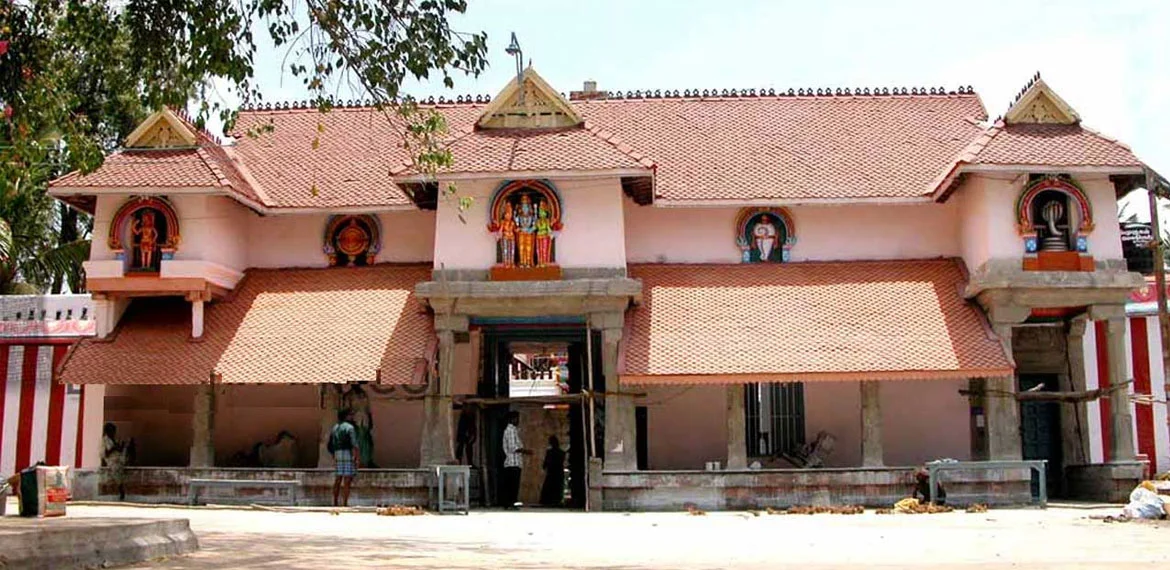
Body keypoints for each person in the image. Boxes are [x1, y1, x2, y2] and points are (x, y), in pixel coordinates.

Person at [328, 409, 362, 507]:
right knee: (347, 479)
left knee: (338, 478)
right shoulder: (350, 428)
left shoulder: (335, 427)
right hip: (347, 453)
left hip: (337, 453)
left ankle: (335, 501)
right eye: (350, 415)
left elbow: (330, 444)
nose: (352, 417)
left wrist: (333, 454)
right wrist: (357, 457)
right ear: (346, 416)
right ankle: (345, 503)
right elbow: (354, 443)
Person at [500, 411, 531, 509]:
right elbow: (513, 447)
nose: (518, 421)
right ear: (512, 419)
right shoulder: (510, 430)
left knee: (511, 485)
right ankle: (510, 503)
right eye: (517, 418)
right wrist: (526, 451)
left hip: (514, 462)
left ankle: (510, 503)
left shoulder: (512, 430)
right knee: (512, 485)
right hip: (513, 462)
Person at [102, 423, 129, 501]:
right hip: (111, 461)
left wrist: (123, 445)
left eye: (114, 431)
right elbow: (105, 454)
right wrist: (113, 448)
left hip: (119, 460)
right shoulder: (104, 440)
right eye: (111, 431)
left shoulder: (114, 439)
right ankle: (121, 490)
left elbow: (119, 449)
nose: (113, 433)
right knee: (117, 472)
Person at [539, 435, 565, 507]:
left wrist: (544, 467)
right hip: (559, 473)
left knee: (549, 487)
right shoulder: (562, 453)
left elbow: (545, 464)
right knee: (557, 487)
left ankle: (548, 501)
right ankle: (557, 500)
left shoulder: (549, 452)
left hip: (551, 472)